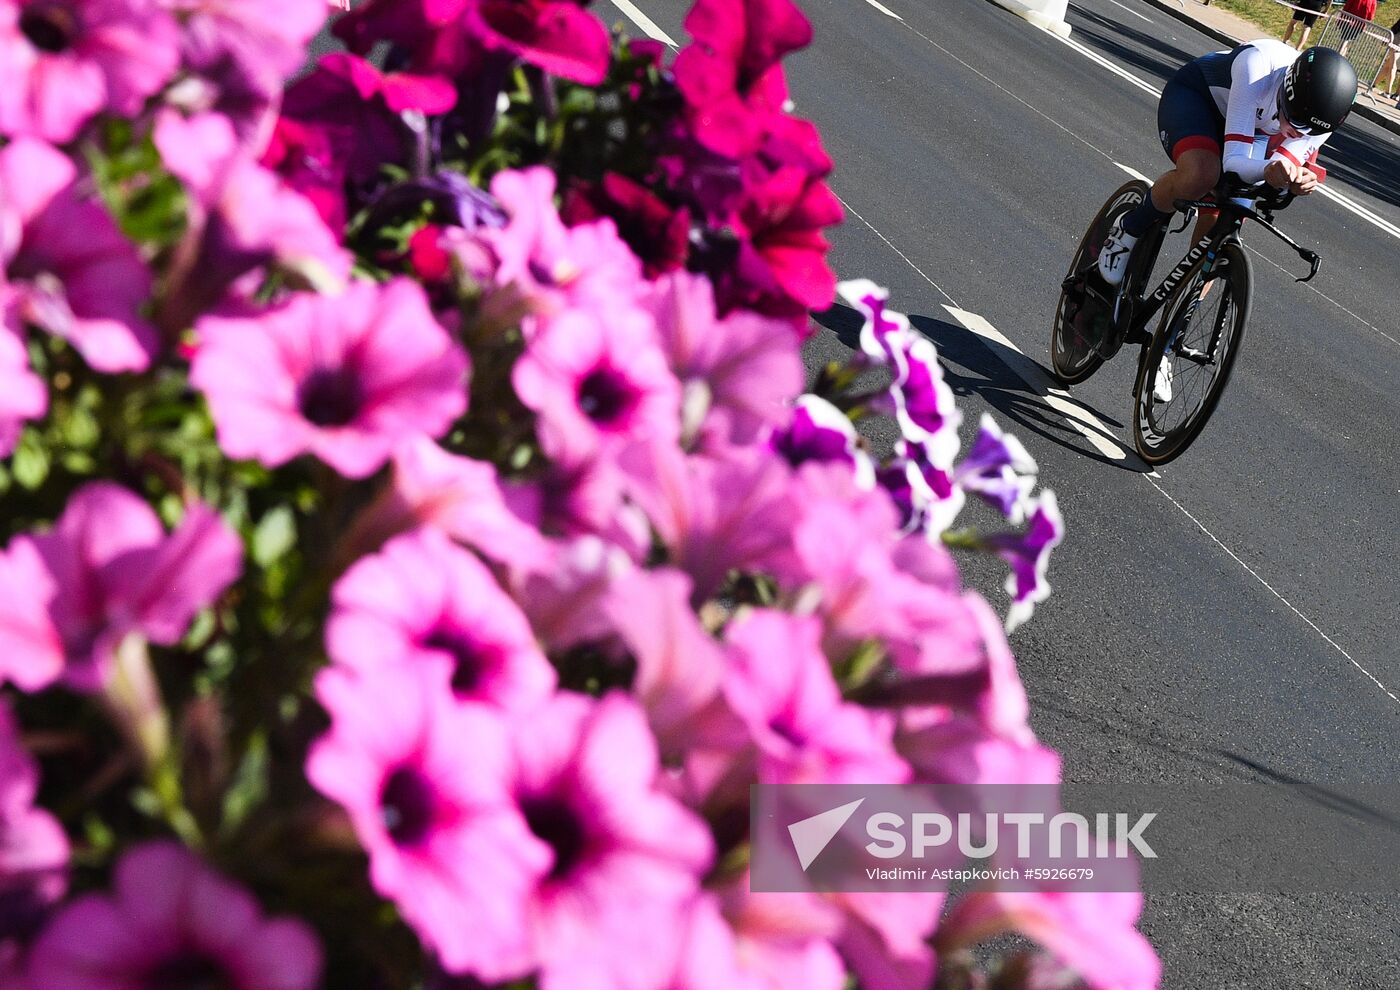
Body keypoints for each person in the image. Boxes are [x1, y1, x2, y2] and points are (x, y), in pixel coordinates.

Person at [1097, 42, 1358, 287]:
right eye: (1297, 124)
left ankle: (1183, 311)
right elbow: (1234, 164)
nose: (1298, 136)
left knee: (1228, 220)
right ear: (1287, 92)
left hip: (1254, 128)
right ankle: (1128, 228)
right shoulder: (1257, 66)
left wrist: (1295, 180)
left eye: (1309, 132)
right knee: (1202, 175)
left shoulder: (1319, 120)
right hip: (1198, 98)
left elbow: (1280, 168)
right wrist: (1270, 171)